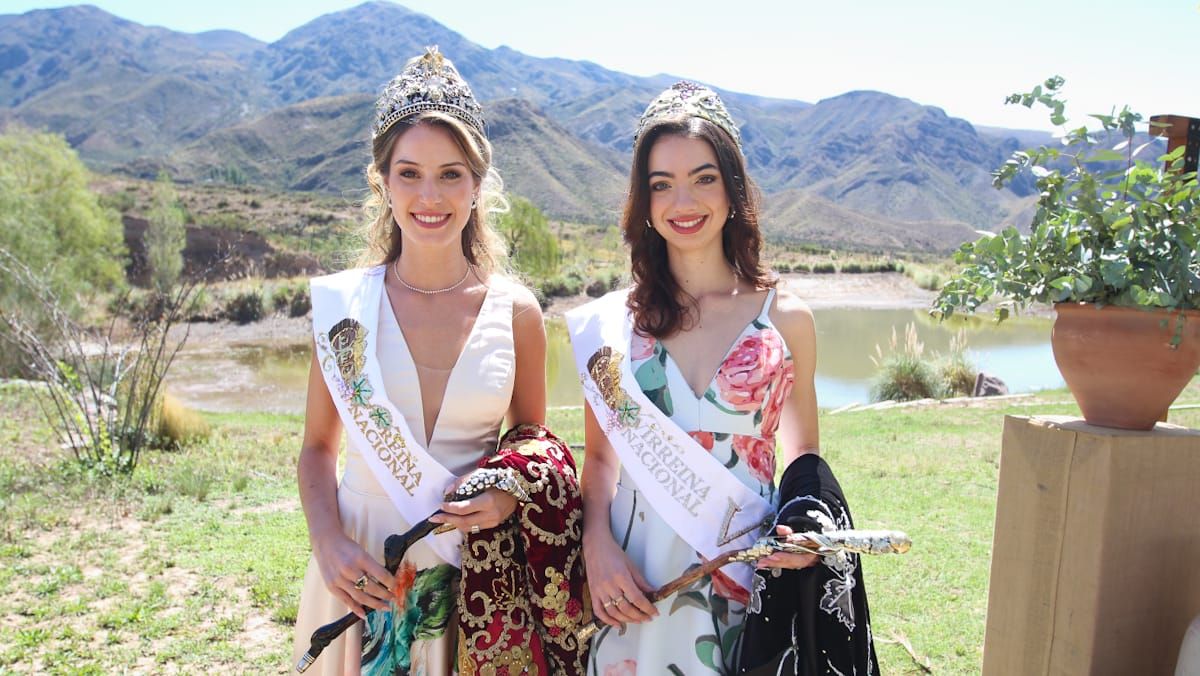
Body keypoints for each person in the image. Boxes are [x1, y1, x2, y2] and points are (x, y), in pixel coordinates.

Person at [292, 47, 587, 675]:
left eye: (451, 174)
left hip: (474, 580)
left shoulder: (516, 313)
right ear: (383, 183)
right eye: (409, 173)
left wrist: (509, 498)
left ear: (478, 185)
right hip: (359, 565)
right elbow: (318, 447)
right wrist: (328, 545)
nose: (431, 195)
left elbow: (529, 446)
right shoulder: (345, 306)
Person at [566, 82, 877, 675]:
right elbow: (601, 461)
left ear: (733, 189)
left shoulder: (786, 320)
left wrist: (806, 525)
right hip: (637, 576)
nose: (683, 201)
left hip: (745, 575)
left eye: (703, 178)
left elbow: (803, 454)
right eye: (662, 184)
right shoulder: (613, 325)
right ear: (644, 201)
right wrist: (597, 547)